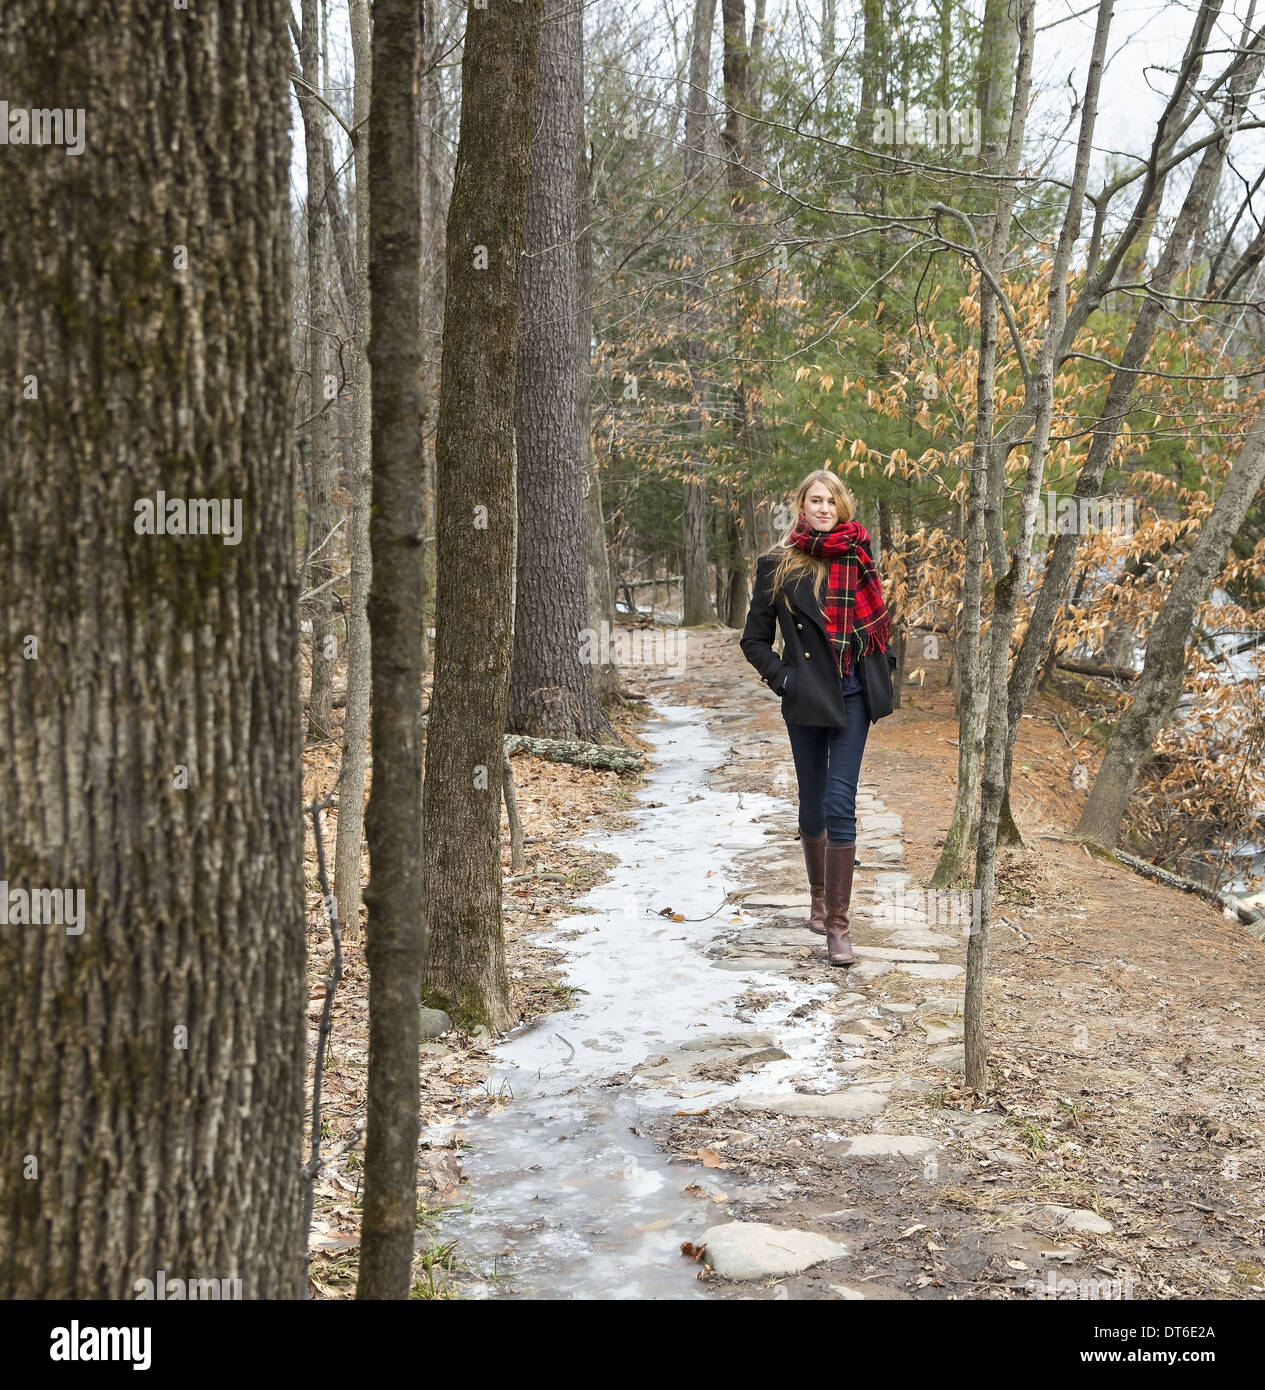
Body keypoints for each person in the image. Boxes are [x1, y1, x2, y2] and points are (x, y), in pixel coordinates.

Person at [740, 469, 897, 966]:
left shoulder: (860, 554)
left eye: (831, 500)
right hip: (807, 698)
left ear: (842, 506)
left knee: (839, 802)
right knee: (811, 806)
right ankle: (816, 893)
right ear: (801, 507)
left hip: (853, 695)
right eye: (815, 500)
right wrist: (784, 679)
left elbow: (880, 627)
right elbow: (754, 640)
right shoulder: (778, 564)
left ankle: (837, 925)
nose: (824, 508)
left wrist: (883, 668)